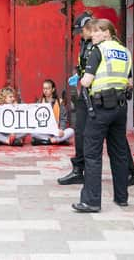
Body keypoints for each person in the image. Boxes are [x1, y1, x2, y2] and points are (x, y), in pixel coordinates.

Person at [72, 18, 133, 213]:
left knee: (92, 154)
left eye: (97, 31)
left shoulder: (98, 51)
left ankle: (91, 201)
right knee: (119, 152)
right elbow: (130, 82)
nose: (93, 35)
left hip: (100, 108)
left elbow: (87, 81)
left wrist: (81, 79)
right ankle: (122, 197)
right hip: (120, 107)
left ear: (107, 33)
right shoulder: (125, 51)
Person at [58, 12, 94, 184]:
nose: (81, 34)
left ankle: (128, 171)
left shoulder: (99, 44)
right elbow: (84, 66)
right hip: (85, 93)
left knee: (113, 137)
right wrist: (77, 75)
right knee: (79, 131)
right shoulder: (85, 43)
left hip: (98, 95)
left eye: (82, 30)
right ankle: (78, 169)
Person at [31, 79, 74, 145]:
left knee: (71, 131)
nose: (45, 90)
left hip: (56, 131)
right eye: (44, 88)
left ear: (53, 89)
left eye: (47, 88)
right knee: (33, 132)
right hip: (45, 131)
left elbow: (63, 119)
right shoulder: (39, 102)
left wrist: (61, 130)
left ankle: (47, 141)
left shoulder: (60, 102)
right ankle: (55, 140)